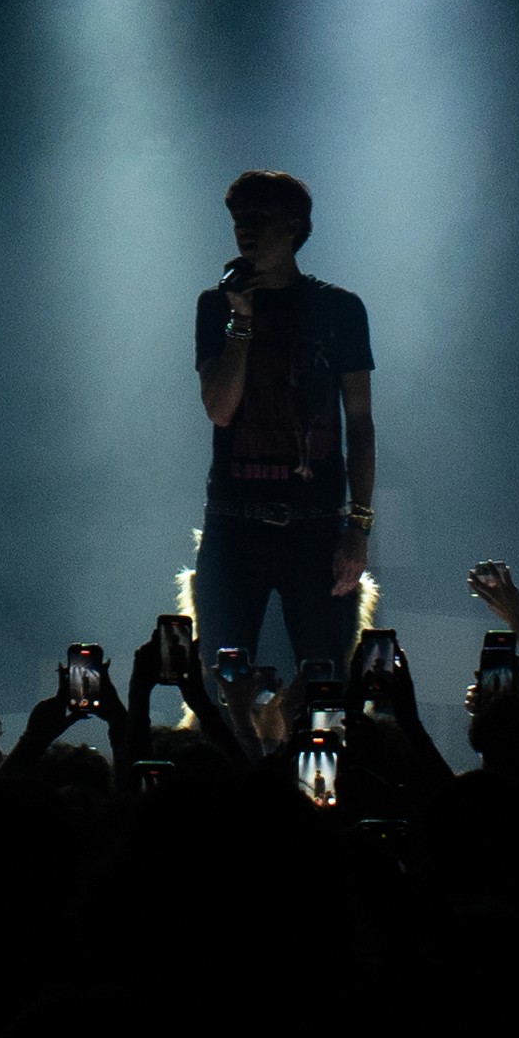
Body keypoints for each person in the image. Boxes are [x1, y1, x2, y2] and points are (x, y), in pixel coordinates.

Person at [192, 169, 376, 681]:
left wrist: (358, 527)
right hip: (235, 523)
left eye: (258, 218)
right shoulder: (216, 307)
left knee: (326, 681)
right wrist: (242, 319)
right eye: (237, 220)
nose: (244, 230)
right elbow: (220, 408)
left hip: (315, 526)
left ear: (293, 227)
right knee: (220, 682)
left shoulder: (339, 309)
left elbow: (359, 422)